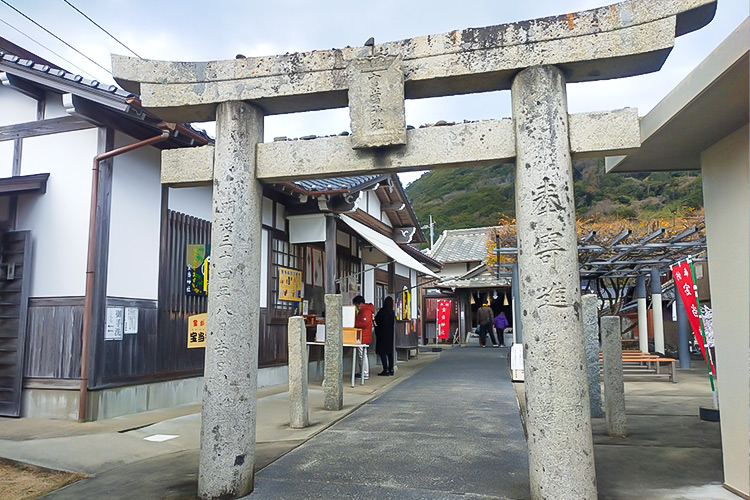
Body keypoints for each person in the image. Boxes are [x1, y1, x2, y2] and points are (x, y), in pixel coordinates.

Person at [352, 295, 375, 379]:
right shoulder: (365, 310)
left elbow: (364, 323)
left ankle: (365, 373)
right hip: (363, 335)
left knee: (362, 355)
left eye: (357, 305)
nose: (356, 307)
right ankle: (362, 372)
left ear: (360, 304)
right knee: (361, 354)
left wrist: (353, 324)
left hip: (363, 335)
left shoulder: (365, 311)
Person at [374, 296, 395, 376]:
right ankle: (391, 369)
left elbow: (376, 321)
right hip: (390, 335)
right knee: (390, 353)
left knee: (382, 352)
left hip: (382, 335)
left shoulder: (382, 312)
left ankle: (385, 369)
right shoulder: (392, 313)